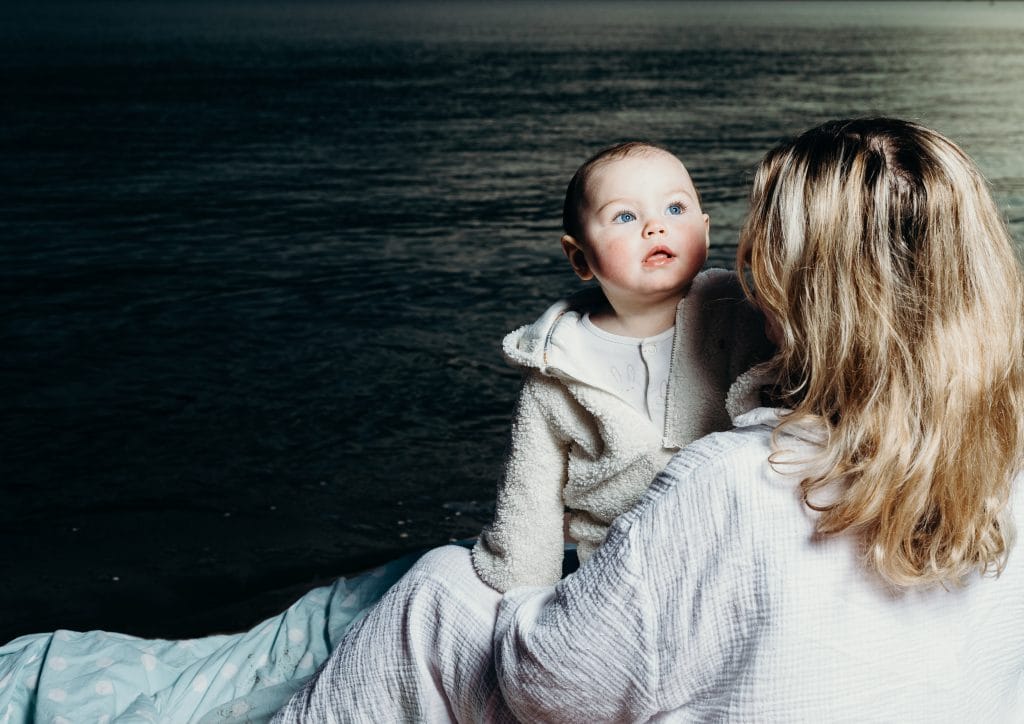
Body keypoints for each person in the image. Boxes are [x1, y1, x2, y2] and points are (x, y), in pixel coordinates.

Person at [274, 118, 1024, 722]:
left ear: (801, 293)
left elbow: (550, 686)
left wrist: (529, 604)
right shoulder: (1006, 441)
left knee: (433, 590)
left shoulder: (733, 481)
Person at [473, 141, 772, 592]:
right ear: (580, 258)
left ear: (706, 232)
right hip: (617, 569)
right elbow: (529, 498)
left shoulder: (745, 319)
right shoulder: (559, 363)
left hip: (733, 549)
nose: (655, 227)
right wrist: (519, 591)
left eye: (675, 208)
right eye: (625, 217)